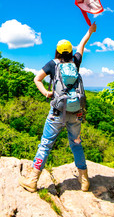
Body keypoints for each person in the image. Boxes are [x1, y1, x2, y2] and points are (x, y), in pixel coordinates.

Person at [19, 22, 97, 193]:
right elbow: (82, 44)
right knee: (76, 144)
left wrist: (46, 92)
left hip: (56, 113)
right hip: (75, 113)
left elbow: (36, 79)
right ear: (70, 51)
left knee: (45, 145)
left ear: (57, 51)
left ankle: (32, 181)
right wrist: (90, 31)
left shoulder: (52, 64)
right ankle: (84, 181)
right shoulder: (76, 61)